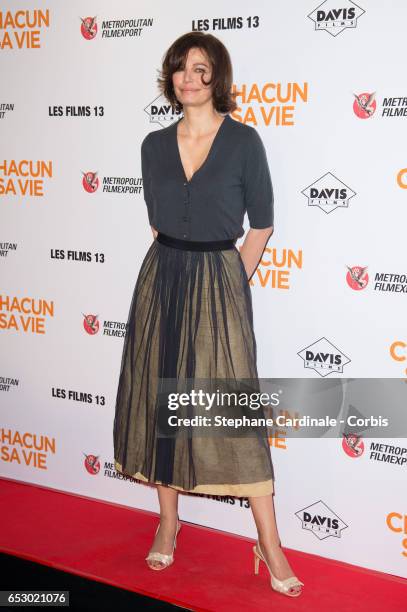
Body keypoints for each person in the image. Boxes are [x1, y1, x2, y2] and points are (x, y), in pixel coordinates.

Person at [113, 31, 304, 598]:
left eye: (201, 68)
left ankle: (268, 545)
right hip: (162, 277)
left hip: (219, 281)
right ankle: (168, 522)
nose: (189, 77)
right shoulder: (152, 145)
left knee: (233, 413)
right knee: (163, 401)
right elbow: (157, 220)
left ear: (217, 77)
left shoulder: (245, 142)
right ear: (170, 78)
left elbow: (262, 224)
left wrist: (229, 280)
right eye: (180, 68)